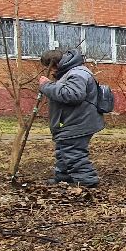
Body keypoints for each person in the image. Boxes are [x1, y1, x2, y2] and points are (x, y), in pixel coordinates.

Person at [38, 48, 104, 187]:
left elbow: (74, 95)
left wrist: (47, 86)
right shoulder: (73, 71)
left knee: (73, 152)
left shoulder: (77, 73)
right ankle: (64, 177)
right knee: (64, 149)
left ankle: (87, 182)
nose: (53, 72)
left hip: (79, 122)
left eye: (51, 68)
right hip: (74, 121)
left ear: (54, 64)